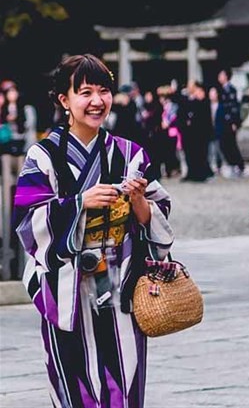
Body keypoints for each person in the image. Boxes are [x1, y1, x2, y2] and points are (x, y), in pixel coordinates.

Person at [13, 54, 174, 408]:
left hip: (120, 289)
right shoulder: (43, 157)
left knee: (124, 385)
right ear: (63, 100)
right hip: (68, 291)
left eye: (104, 91)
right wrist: (79, 203)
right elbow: (28, 221)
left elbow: (160, 212)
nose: (97, 101)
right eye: (85, 92)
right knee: (73, 387)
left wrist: (140, 205)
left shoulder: (130, 155)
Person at [217, 67, 245, 176]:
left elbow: (234, 107)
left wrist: (234, 122)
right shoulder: (223, 89)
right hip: (224, 122)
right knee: (225, 144)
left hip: (230, 122)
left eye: (221, 75)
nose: (219, 78)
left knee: (231, 144)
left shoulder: (231, 89)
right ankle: (232, 164)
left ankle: (238, 165)